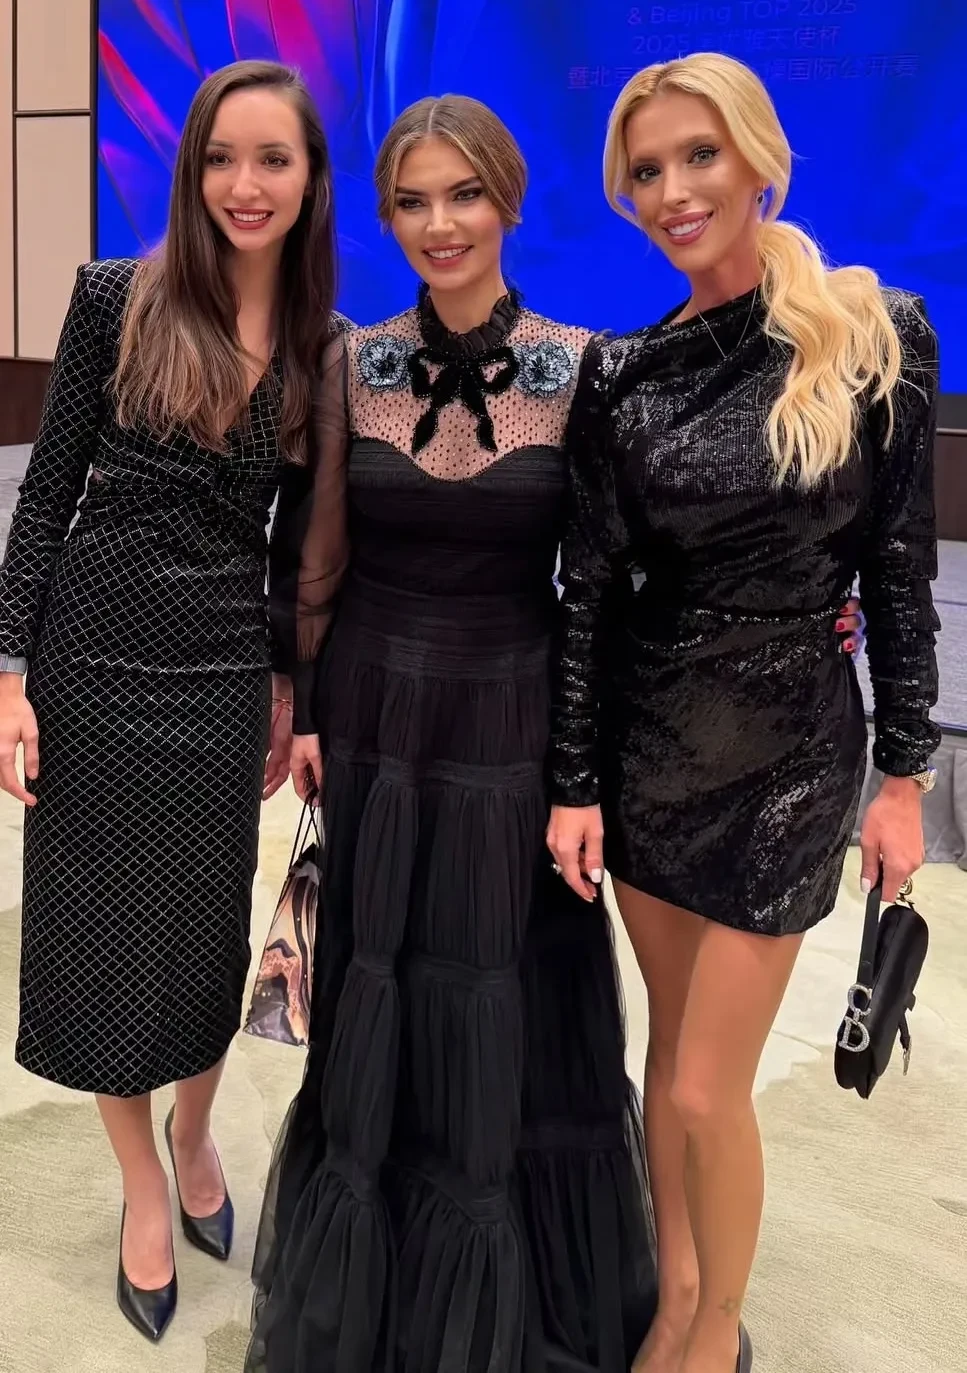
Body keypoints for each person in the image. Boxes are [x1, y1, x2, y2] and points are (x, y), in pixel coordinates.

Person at [247, 94, 658, 1373]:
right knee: (378, 987)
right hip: (376, 716)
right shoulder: (350, 361)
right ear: (385, 217)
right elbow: (316, 552)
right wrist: (310, 705)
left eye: (463, 194)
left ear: (508, 199)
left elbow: (595, 587)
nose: (440, 223)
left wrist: (580, 767)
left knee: (497, 998)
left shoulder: (581, 365)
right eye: (412, 201)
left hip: (508, 719)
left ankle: (490, 1304)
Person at [546, 53, 940, 1373]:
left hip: (790, 757)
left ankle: (712, 1333)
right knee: (668, 1062)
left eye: (697, 156)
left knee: (709, 1084)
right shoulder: (623, 375)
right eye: (645, 171)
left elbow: (896, 574)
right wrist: (573, 778)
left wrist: (901, 778)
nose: (672, 190)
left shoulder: (874, 333)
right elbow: (588, 594)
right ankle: (675, 1299)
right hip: (649, 746)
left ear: (759, 157)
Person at [0, 61, 346, 1342]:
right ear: (192, 170)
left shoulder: (321, 344)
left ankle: (196, 1131)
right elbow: (47, 493)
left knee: (201, 934)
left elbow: (297, 550)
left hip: (219, 673)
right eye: (220, 158)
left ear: (309, 180)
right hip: (92, 661)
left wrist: (289, 685)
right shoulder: (116, 298)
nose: (244, 185)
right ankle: (142, 1181)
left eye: (273, 159)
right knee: (97, 938)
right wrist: (9, 673)